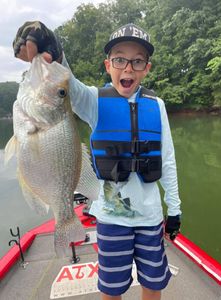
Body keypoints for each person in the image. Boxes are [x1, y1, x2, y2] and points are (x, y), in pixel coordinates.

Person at [13, 21, 181, 300]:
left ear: (147, 68)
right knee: (111, 287)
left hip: (151, 218)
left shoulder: (158, 105)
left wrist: (174, 209)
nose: (128, 68)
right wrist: (53, 48)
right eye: (119, 59)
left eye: (137, 61)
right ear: (107, 65)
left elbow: (168, 159)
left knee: (154, 283)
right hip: (111, 220)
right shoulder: (93, 100)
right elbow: (67, 85)